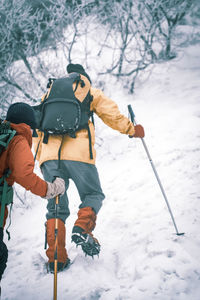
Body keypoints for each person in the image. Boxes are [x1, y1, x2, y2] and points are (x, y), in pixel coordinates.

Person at [33, 63, 145, 272]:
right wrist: (132, 129)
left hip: (49, 157)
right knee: (93, 194)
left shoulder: (49, 94)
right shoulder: (89, 90)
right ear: (83, 77)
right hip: (79, 156)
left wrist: (41, 159)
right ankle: (82, 227)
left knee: (56, 207)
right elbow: (111, 115)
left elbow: (37, 125)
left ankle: (56, 259)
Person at [0, 102, 65, 283]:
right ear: (28, 124)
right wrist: (50, 189)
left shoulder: (2, 134)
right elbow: (23, 174)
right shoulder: (18, 139)